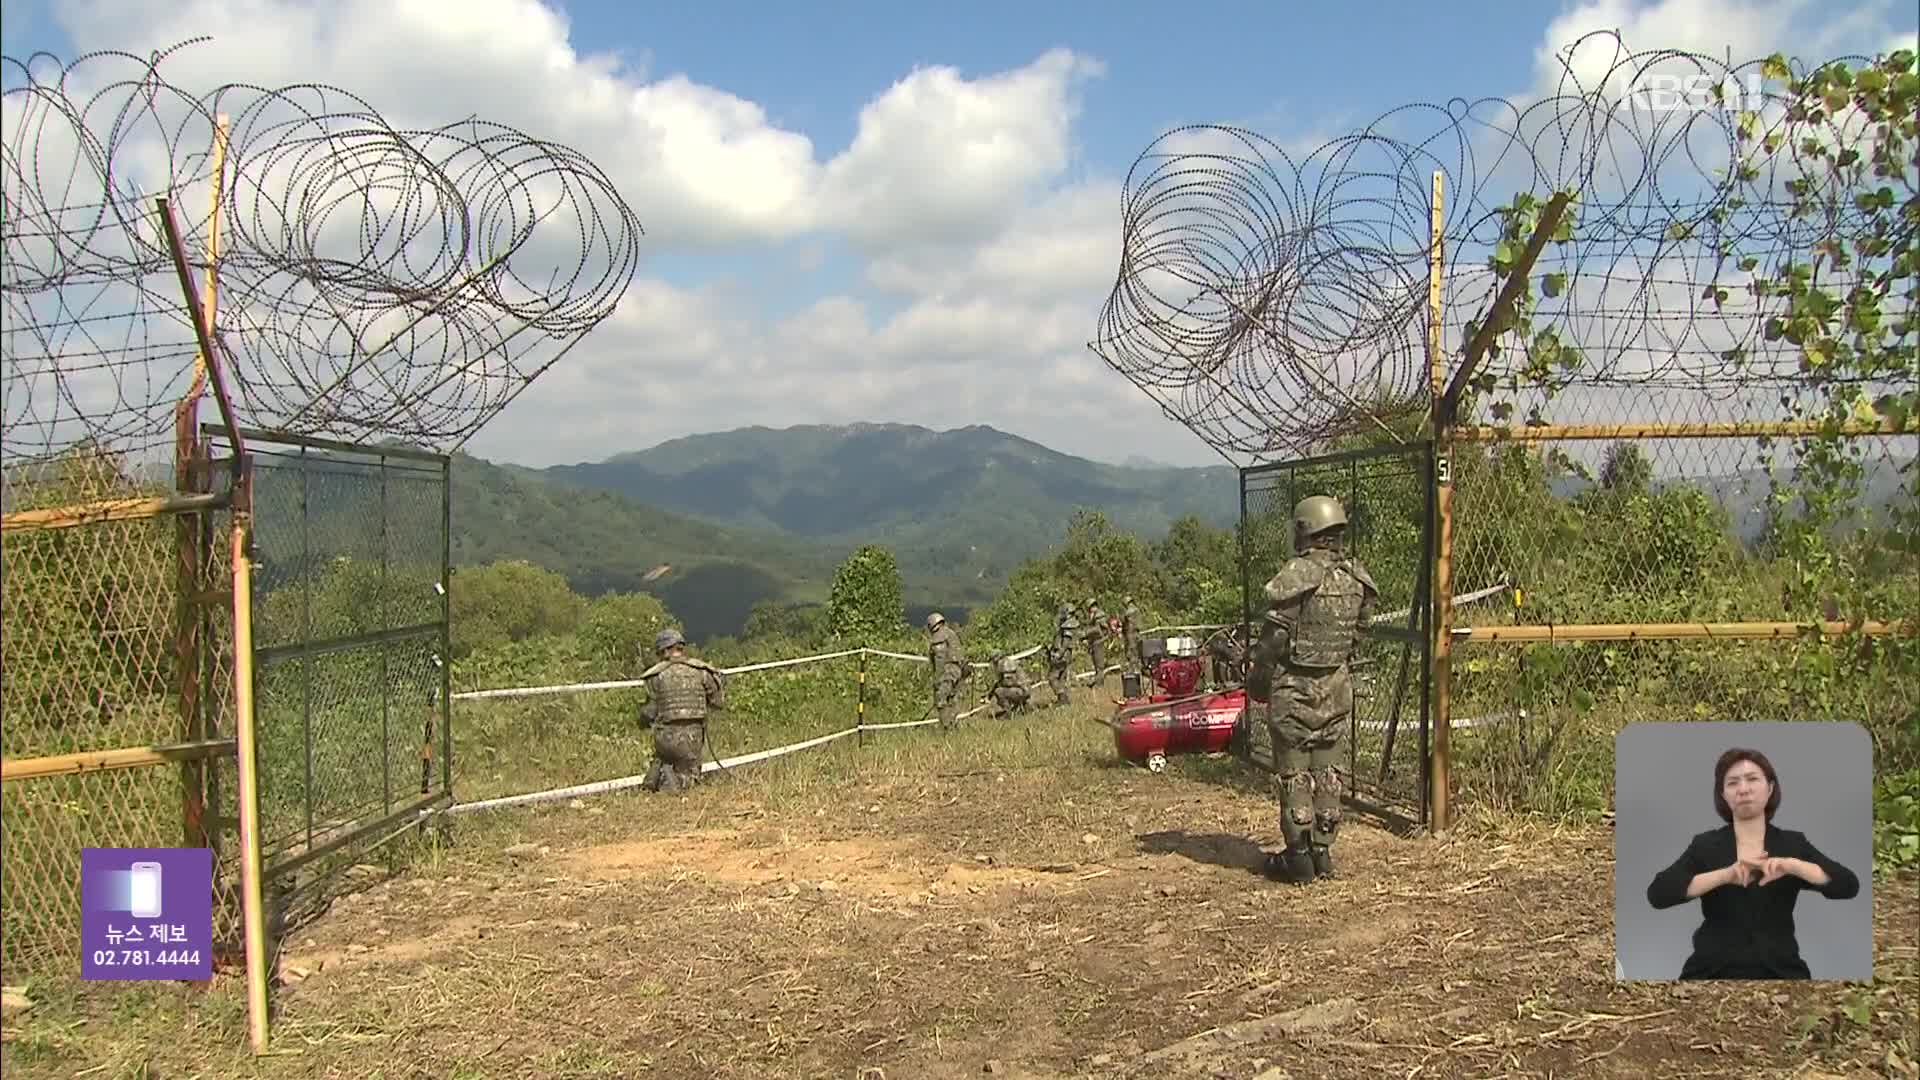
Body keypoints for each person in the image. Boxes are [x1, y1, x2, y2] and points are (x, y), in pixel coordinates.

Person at [1246, 494, 1377, 884]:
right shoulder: (1356, 578)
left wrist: (1259, 678)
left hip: (1295, 688)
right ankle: (1324, 852)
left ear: (1304, 529)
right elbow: (1361, 632)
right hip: (1337, 685)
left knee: (1294, 772)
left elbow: (1273, 641)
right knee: (1329, 768)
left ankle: (1298, 858)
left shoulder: (1298, 575)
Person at [1645, 747, 1861, 980]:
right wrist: (1726, 875)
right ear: (1723, 795)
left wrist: (1793, 866)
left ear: (1770, 788)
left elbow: (1848, 885)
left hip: (1782, 970)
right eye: (1733, 783)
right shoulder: (1706, 845)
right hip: (1711, 970)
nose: (1743, 789)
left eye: (1752, 779)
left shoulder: (1792, 843)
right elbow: (1658, 894)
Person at [637, 627, 726, 792]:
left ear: (663, 651)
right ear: (681, 648)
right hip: (694, 737)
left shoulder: (655, 676)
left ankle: (661, 773)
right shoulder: (702, 672)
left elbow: (649, 713)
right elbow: (718, 703)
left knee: (664, 757)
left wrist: (641, 720)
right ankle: (671, 778)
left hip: (666, 736)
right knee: (691, 777)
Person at [926, 611, 966, 728]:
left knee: (941, 698)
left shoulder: (939, 637)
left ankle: (946, 727)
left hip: (948, 671)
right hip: (958, 671)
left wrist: (936, 679)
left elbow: (940, 659)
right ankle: (954, 726)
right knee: (952, 699)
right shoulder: (951, 633)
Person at [1045, 604, 1077, 706]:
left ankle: (1062, 697)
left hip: (1062, 655)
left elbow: (1065, 643)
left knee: (1052, 677)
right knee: (1061, 678)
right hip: (1066, 655)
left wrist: (1058, 654)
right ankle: (1064, 700)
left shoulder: (1068, 626)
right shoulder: (1070, 624)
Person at [986, 652, 1031, 717]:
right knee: (1000, 690)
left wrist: (997, 687)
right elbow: (1000, 681)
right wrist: (989, 695)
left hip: (1022, 690)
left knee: (999, 692)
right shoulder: (1007, 663)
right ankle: (1019, 709)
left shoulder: (1006, 664)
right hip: (1022, 689)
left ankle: (1008, 713)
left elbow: (1009, 682)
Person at [1081, 598, 1109, 688]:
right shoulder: (1094, 616)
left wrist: (1085, 633)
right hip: (1094, 642)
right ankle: (1098, 682)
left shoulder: (1099, 616)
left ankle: (1099, 684)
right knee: (1097, 665)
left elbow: (1097, 630)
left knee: (1099, 665)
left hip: (1099, 642)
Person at [1120, 596, 1144, 675]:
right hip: (1136, 632)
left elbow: (1124, 620)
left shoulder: (1130, 611)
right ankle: (1136, 668)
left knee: (1131, 651)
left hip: (1130, 633)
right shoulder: (1137, 610)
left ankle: (1133, 669)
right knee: (1135, 651)